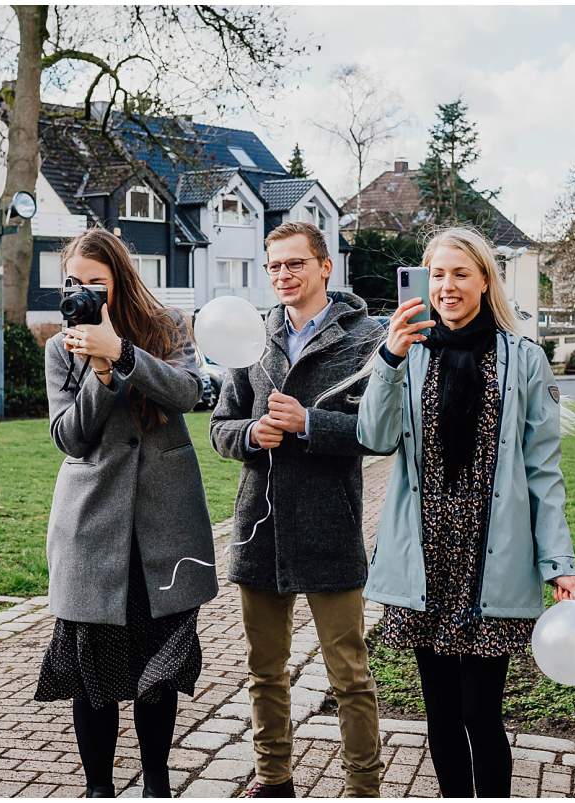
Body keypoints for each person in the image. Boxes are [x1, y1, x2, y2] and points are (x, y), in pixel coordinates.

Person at [357, 226, 575, 798]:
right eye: (437, 274)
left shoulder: (524, 360)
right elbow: (374, 436)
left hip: (491, 556)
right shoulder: (406, 354)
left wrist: (558, 561)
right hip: (426, 557)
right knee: (439, 716)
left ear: (486, 279)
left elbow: (543, 471)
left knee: (481, 714)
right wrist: (388, 357)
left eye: (460, 273)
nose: (447, 286)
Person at [34, 227, 218, 798]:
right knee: (94, 676)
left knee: (156, 672)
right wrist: (101, 374)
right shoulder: (59, 348)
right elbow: (70, 437)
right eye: (74, 282)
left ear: (120, 280)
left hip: (164, 523)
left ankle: (157, 785)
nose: (85, 293)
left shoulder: (166, 327)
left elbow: (191, 392)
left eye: (97, 282)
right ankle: (98, 789)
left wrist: (124, 354)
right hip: (93, 527)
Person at [210, 221, 385, 798]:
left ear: (325, 266)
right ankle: (273, 780)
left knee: (350, 676)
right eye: (275, 266)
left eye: (295, 264)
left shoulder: (365, 338)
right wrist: (252, 434)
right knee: (264, 671)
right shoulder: (249, 337)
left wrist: (309, 423)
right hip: (259, 527)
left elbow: (379, 432)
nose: (283, 275)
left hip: (330, 525)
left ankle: (363, 789)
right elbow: (220, 428)